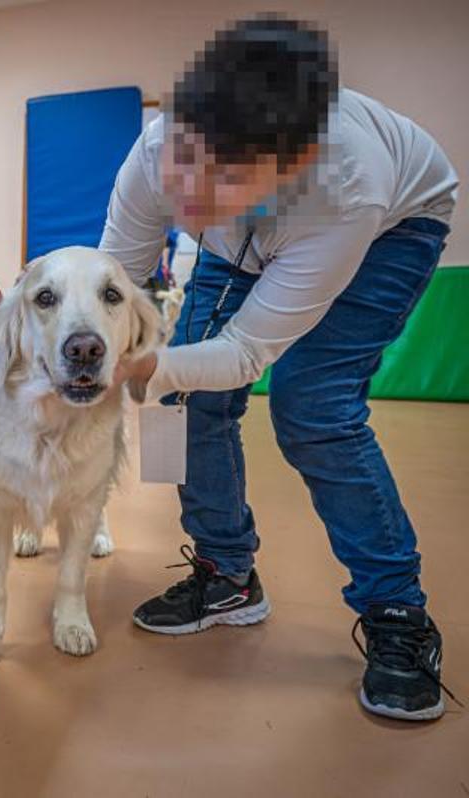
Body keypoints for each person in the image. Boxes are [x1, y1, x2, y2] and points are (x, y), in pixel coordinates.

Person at [104, 16, 458, 721]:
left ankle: (396, 611)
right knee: (188, 400)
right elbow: (115, 278)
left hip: (396, 226)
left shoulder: (346, 185)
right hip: (256, 237)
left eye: (224, 179)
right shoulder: (154, 155)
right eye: (186, 166)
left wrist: (149, 368)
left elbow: (244, 357)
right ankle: (225, 572)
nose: (192, 200)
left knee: (313, 408)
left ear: (287, 164)